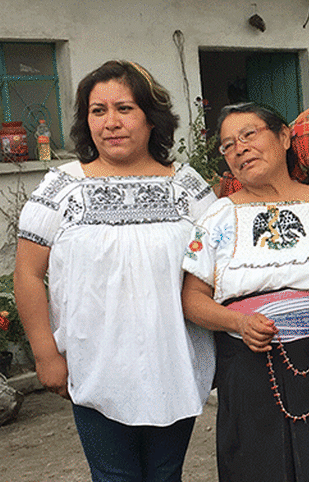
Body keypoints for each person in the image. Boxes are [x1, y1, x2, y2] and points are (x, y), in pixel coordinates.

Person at [14, 60, 216, 482]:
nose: (111, 123)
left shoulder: (187, 187)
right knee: (113, 476)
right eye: (97, 111)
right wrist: (45, 354)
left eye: (124, 108)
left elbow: (219, 266)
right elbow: (29, 274)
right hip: (95, 365)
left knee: (165, 474)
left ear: (151, 117)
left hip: (174, 362)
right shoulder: (62, 187)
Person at [180, 103, 309, 482]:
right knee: (259, 465)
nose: (239, 148)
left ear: (285, 136)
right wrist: (238, 322)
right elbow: (192, 297)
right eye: (227, 145)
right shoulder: (217, 217)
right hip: (249, 359)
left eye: (249, 135)